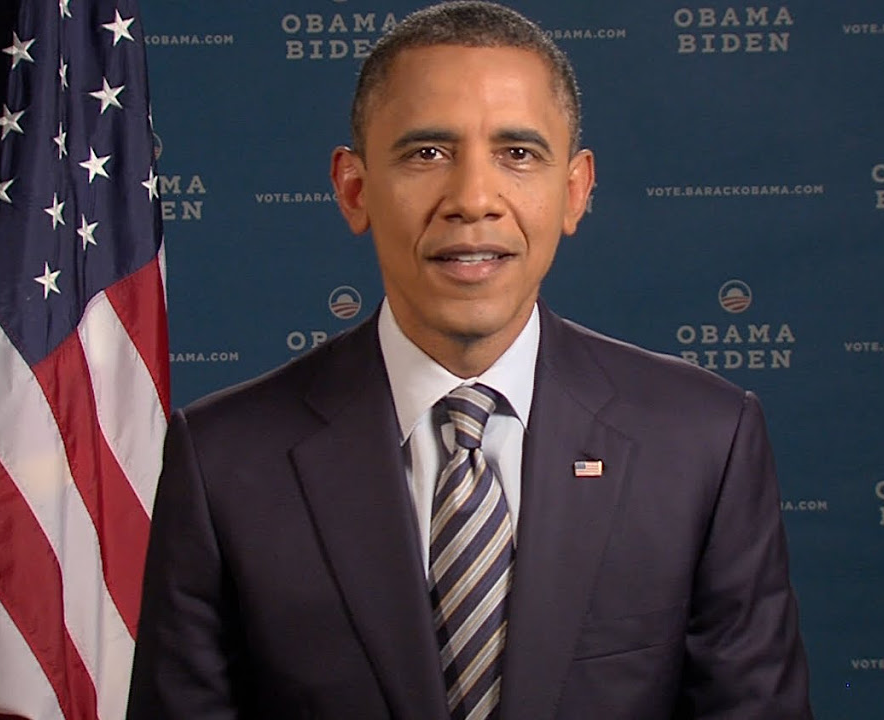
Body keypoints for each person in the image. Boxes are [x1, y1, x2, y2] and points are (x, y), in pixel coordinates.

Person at [126, 2, 812, 718]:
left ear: (574, 191)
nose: (473, 199)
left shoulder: (705, 439)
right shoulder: (224, 460)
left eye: (518, 153)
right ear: (354, 189)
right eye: (427, 153)